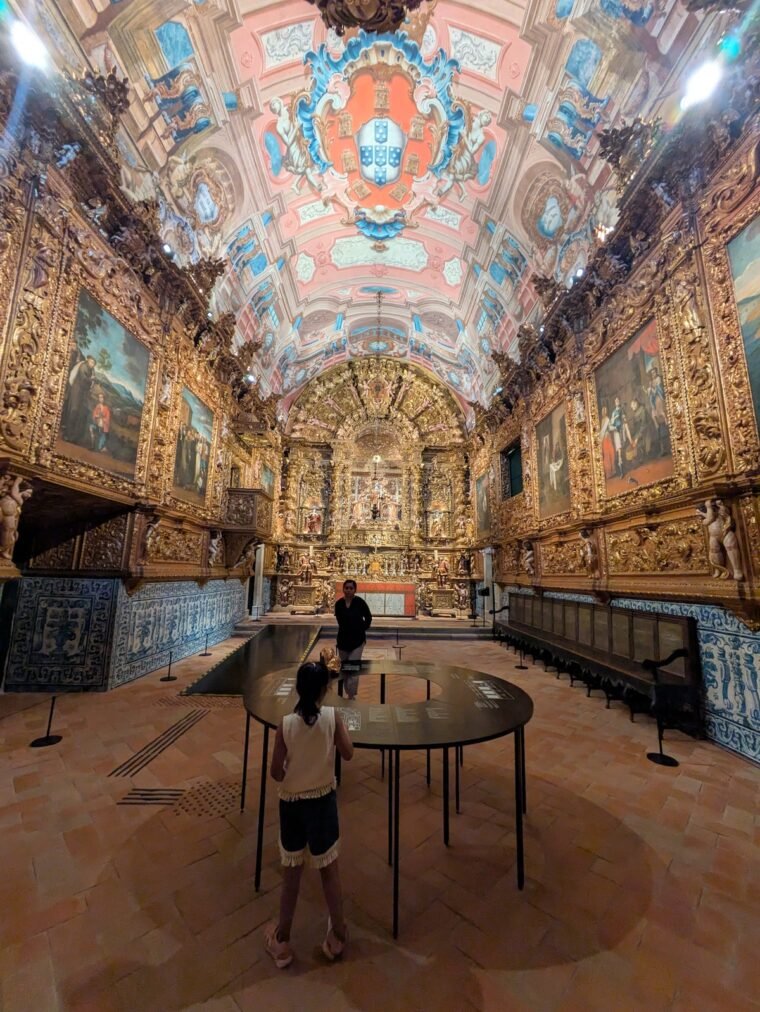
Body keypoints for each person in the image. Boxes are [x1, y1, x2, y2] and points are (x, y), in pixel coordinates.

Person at [265, 661, 354, 969]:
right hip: (322, 802)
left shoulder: (286, 725)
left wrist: (291, 771)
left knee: (292, 871)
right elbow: (348, 752)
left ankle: (282, 939)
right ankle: (338, 934)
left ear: (298, 689)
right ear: (325, 690)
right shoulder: (332, 717)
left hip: (291, 803)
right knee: (329, 869)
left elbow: (275, 772)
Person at [334, 579, 372, 701]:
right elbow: (339, 620)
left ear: (355, 590)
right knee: (345, 667)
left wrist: (362, 628)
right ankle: (348, 692)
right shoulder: (339, 604)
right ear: (343, 589)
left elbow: (368, 617)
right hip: (343, 640)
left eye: (351, 588)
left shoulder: (360, 602)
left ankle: (351, 695)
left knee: (353, 666)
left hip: (357, 640)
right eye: (346, 588)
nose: (348, 590)